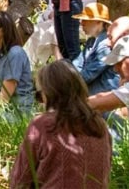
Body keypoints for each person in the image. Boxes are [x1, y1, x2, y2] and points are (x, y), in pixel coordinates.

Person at [10, 61, 111, 189]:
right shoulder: (100, 126)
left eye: (39, 95)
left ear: (48, 93)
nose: (40, 101)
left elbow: (20, 181)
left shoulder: (42, 125)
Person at [71, 3, 119, 96]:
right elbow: (77, 64)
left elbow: (89, 75)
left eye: (86, 20)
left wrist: (65, 82)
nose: (82, 23)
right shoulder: (91, 41)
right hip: (92, 94)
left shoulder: (106, 45)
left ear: (98, 22)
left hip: (105, 97)